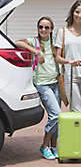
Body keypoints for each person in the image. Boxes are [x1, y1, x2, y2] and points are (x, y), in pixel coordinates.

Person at [15, 16, 61, 160]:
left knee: (57, 119)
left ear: (51, 30)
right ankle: (44, 146)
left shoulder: (55, 43)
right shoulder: (34, 41)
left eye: (47, 27)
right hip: (42, 84)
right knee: (56, 114)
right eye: (40, 27)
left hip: (55, 82)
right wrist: (35, 52)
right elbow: (17, 42)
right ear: (37, 28)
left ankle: (54, 147)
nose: (43, 30)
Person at [55, 0, 81, 112]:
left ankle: (78, 129)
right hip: (70, 75)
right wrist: (69, 62)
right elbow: (57, 57)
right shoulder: (62, 32)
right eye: (77, 12)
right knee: (78, 109)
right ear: (72, 13)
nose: (79, 15)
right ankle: (78, 129)